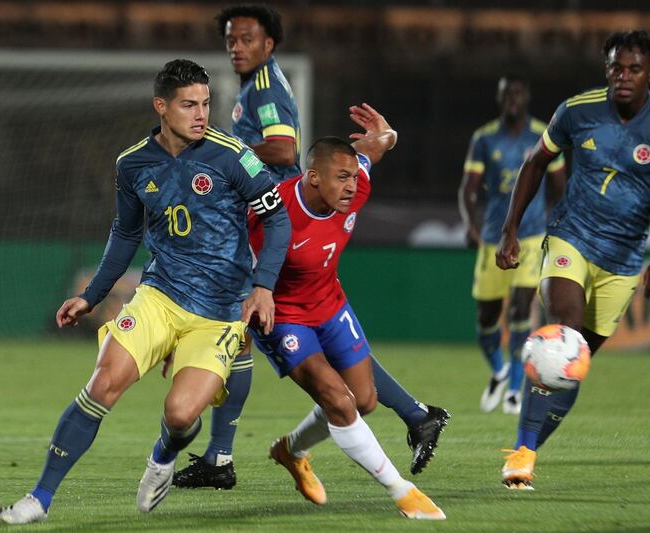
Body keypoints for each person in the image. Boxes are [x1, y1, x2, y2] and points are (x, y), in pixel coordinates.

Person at [0, 59, 291, 524]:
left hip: (219, 311)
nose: (201, 114)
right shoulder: (132, 164)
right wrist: (92, 296)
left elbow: (277, 220)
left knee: (179, 415)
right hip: (160, 295)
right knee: (102, 384)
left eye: (206, 103)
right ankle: (39, 498)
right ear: (161, 107)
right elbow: (125, 234)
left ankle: (163, 456)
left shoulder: (233, 156)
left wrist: (264, 288)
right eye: (189, 104)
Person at [173, 4, 449, 491]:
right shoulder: (258, 87)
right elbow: (369, 153)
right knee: (284, 344)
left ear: (269, 45)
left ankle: (220, 457)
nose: (236, 47)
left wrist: (218, 155)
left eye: (246, 39)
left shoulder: (265, 89)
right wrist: (386, 136)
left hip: (273, 233)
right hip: (283, 233)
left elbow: (281, 149)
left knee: (235, 332)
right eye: (231, 40)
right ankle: (412, 414)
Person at [495, 31, 650, 489]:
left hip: (623, 259)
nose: (624, 77)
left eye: (634, 69)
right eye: (617, 67)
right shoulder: (577, 110)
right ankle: (523, 454)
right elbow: (536, 162)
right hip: (570, 238)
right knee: (563, 335)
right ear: (606, 69)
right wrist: (510, 228)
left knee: (573, 365)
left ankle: (528, 444)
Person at [253, 103, 445, 519]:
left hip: (330, 303)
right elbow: (235, 267)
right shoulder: (272, 214)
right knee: (339, 401)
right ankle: (402, 491)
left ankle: (291, 450)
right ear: (313, 177)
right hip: (283, 315)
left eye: (353, 177)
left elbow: (375, 149)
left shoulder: (354, 186)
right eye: (341, 178)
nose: (350, 187)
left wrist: (388, 135)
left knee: (363, 400)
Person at [459, 74, 566, 416]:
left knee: (522, 309)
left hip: (531, 236)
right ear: (499, 98)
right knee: (487, 317)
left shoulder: (543, 134)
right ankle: (499, 370)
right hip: (493, 237)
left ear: (527, 96)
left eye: (518, 94)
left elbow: (559, 186)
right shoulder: (485, 138)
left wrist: (556, 225)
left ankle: (515, 391)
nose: (512, 100)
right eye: (506, 94)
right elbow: (468, 189)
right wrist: (471, 226)